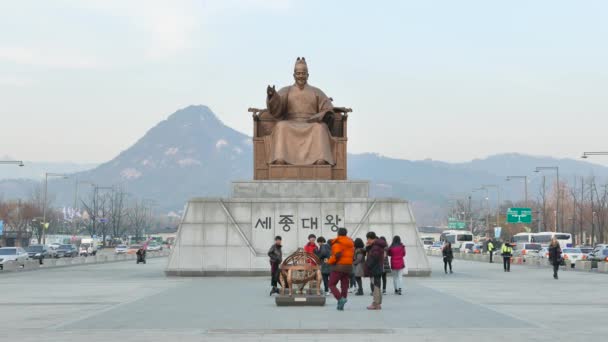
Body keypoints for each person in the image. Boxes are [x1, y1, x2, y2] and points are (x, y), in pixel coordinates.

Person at [327, 228, 355, 311]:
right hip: (348, 267)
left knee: (331, 284)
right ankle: (341, 305)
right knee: (344, 286)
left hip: (338, 267)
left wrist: (329, 261)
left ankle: (340, 299)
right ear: (346, 233)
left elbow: (337, 255)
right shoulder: (351, 243)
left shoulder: (338, 243)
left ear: (338, 234)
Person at [365, 231, 387, 310]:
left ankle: (376, 303)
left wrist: (368, 265)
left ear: (371, 238)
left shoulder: (376, 247)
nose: (367, 241)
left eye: (368, 239)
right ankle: (377, 303)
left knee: (376, 286)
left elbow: (374, 257)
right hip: (378, 268)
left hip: (375, 268)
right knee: (377, 285)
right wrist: (368, 247)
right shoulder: (376, 245)